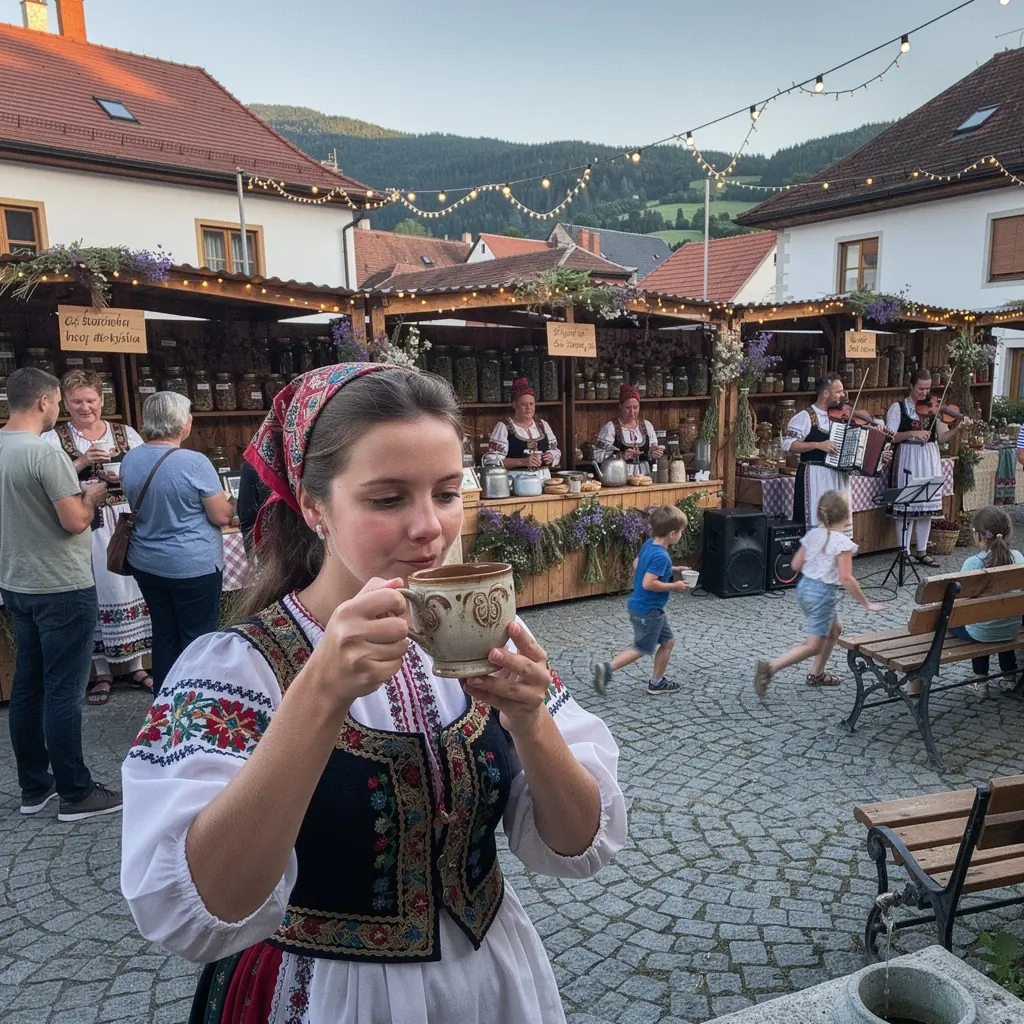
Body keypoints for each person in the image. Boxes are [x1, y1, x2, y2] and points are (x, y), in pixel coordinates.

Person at [119, 364, 626, 1023]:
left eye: (447, 493)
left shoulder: (486, 636)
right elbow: (200, 906)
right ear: (314, 507)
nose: (430, 527)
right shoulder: (236, 668)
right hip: (323, 994)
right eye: (388, 499)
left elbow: (577, 843)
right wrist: (319, 695)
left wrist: (531, 722)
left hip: (489, 982)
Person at [0, 367, 123, 822]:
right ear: (44, 402)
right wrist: (91, 496)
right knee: (63, 692)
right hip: (61, 584)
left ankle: (34, 786)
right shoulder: (44, 451)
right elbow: (73, 520)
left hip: (17, 581)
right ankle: (76, 791)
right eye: (57, 401)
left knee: (27, 687)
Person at [42, 369, 153, 703]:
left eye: (90, 400)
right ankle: (101, 672)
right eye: (77, 401)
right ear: (66, 403)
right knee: (96, 591)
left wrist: (122, 473)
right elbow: (45, 479)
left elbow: (145, 470)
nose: (85, 407)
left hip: (123, 523)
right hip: (84, 524)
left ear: (102, 400)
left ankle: (136, 666)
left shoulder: (125, 433)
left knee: (129, 587)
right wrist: (81, 461)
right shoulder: (54, 439)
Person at [119, 392, 236, 695]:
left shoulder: (130, 458)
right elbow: (221, 515)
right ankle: (196, 701)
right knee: (198, 639)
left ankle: (164, 702)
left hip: (146, 562)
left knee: (164, 633)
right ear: (182, 422)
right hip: (192, 565)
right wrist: (230, 501)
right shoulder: (194, 462)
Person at [754, 490, 884, 696]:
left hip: (804, 588)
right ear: (847, 516)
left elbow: (795, 565)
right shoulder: (842, 543)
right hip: (823, 595)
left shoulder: (813, 534)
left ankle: (817, 674)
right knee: (813, 645)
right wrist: (866, 603)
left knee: (835, 629)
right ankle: (770, 668)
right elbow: (846, 578)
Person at [592, 505, 691, 696]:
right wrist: (674, 586)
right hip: (648, 610)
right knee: (642, 648)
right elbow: (648, 583)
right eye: (681, 531)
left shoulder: (649, 544)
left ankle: (657, 682)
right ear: (672, 534)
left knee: (668, 642)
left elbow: (637, 564)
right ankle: (608, 669)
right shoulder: (661, 556)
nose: (681, 535)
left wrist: (673, 569)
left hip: (646, 607)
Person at [886, 369, 969, 567]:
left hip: (930, 457)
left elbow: (942, 438)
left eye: (927, 388)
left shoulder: (934, 408)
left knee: (927, 507)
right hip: (908, 456)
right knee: (906, 507)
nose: (925, 392)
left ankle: (922, 550)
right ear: (911, 386)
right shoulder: (898, 408)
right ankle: (904, 551)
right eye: (921, 388)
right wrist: (912, 433)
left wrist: (958, 428)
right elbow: (890, 436)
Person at [950, 505, 1023, 694]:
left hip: (980, 632)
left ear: (978, 535)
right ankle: (1009, 677)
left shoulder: (973, 563)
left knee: (972, 617)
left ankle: (980, 681)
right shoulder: (1018, 558)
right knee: (999, 613)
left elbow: (960, 600)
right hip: (1011, 628)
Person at [781, 374, 853, 532]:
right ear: (825, 393)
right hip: (815, 476)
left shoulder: (842, 416)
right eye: (839, 392)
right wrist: (818, 445)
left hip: (838, 477)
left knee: (837, 527)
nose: (843, 395)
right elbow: (788, 445)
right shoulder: (806, 416)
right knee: (816, 524)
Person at [487, 377, 561, 479]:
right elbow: (492, 461)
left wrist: (551, 456)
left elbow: (555, 450)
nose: (529, 408)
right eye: (523, 404)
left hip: (544, 481)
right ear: (514, 405)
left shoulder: (543, 425)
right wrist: (523, 461)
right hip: (516, 481)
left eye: (531, 404)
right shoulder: (504, 427)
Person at [594, 384, 664, 478]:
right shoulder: (610, 428)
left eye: (635, 407)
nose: (632, 412)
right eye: (628, 408)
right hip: (619, 478)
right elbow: (597, 456)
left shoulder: (646, 426)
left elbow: (652, 449)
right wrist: (620, 456)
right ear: (620, 406)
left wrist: (653, 452)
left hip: (645, 477)